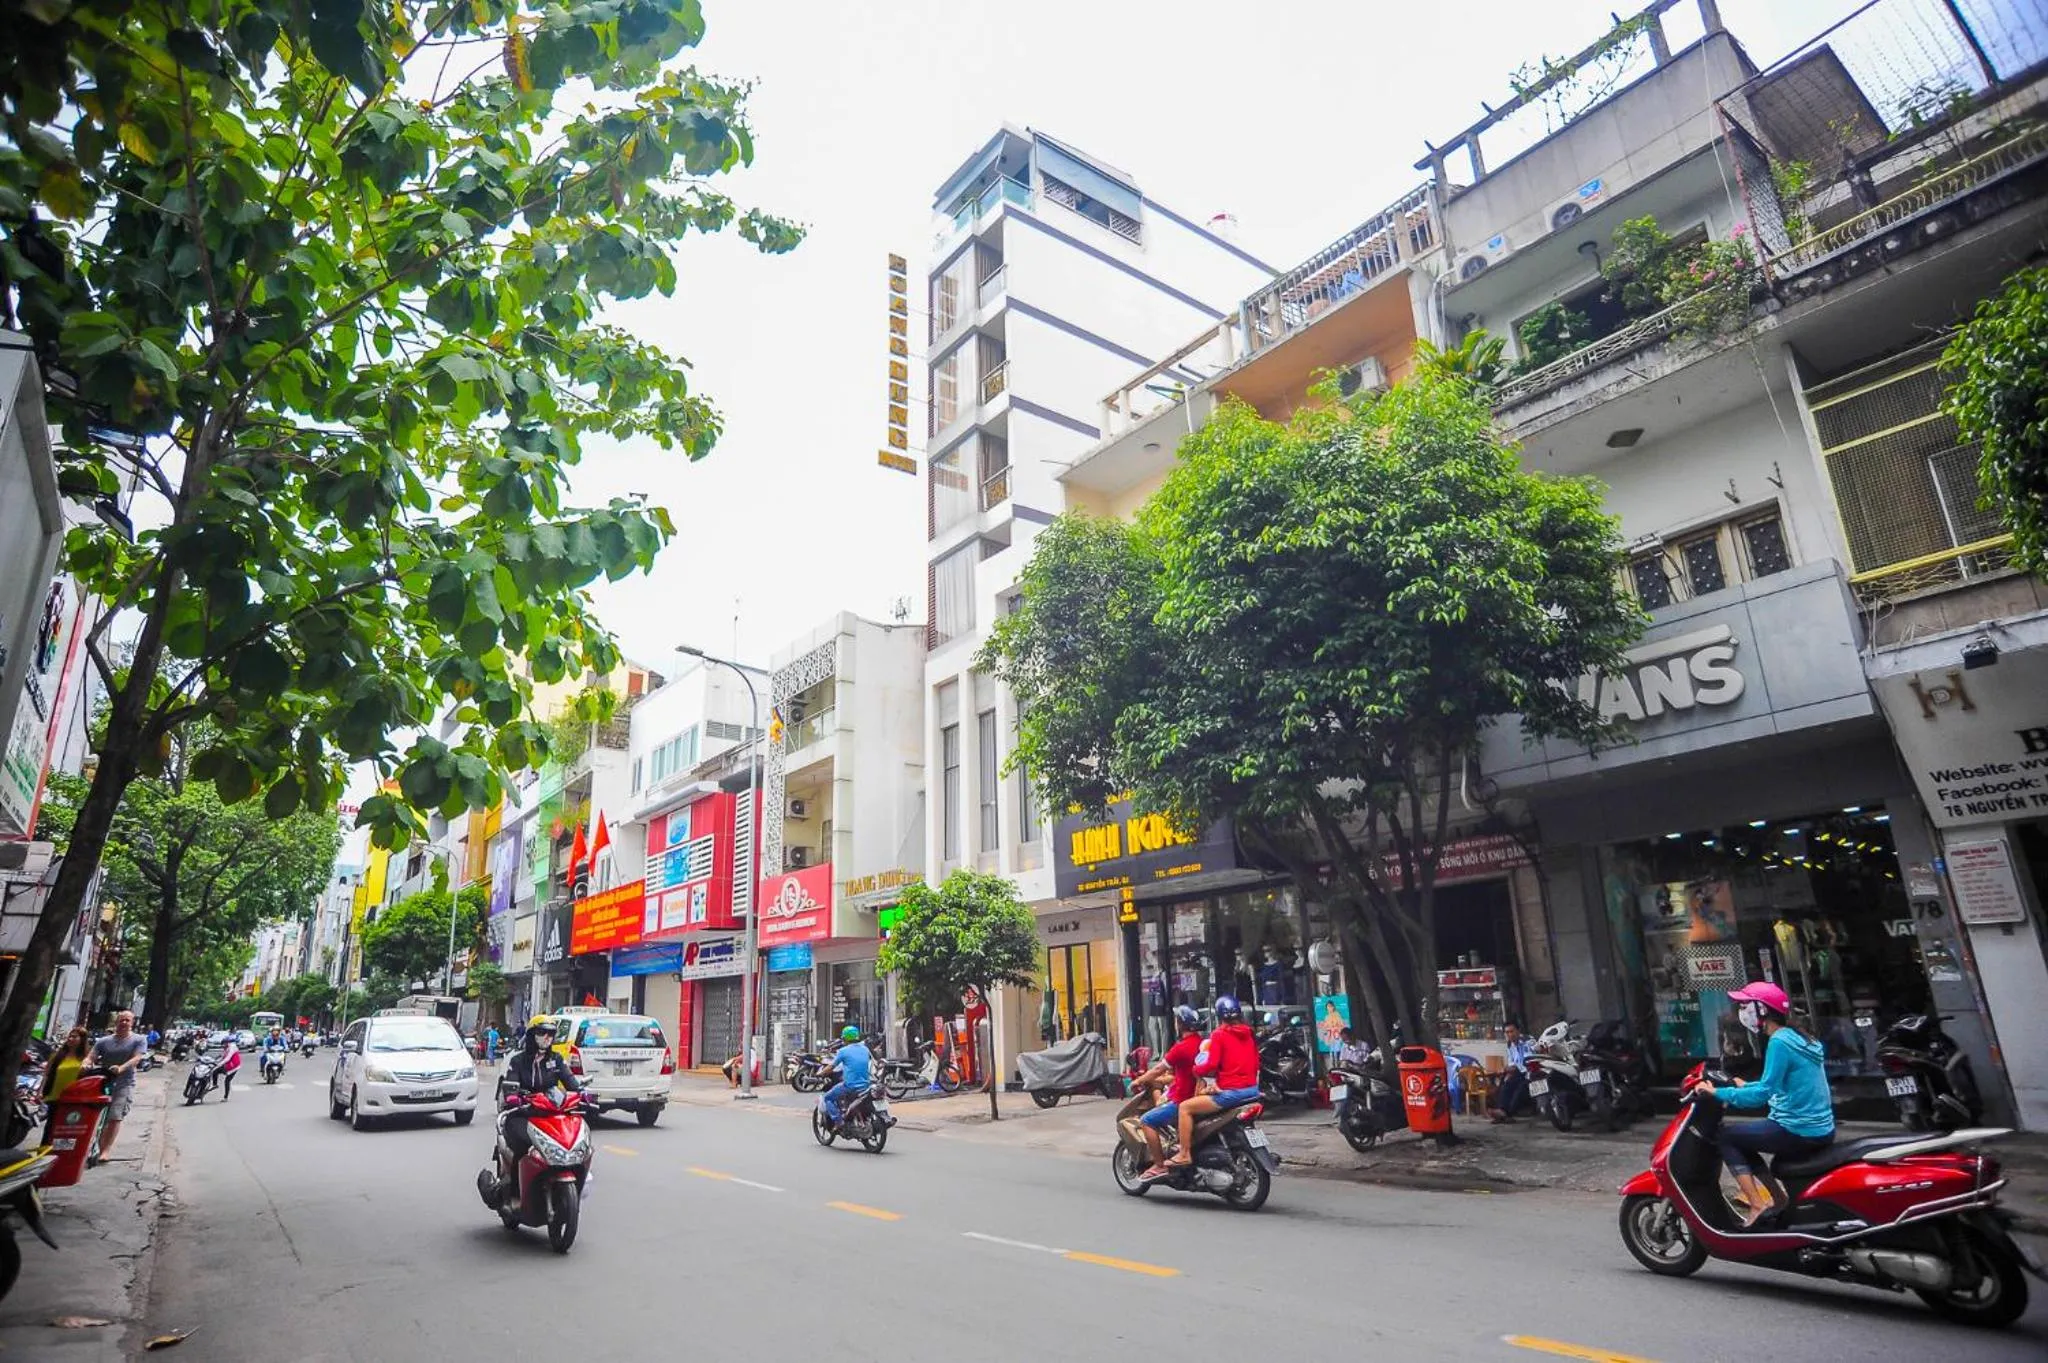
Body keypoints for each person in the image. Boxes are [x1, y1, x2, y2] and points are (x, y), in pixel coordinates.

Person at [1687, 981, 1833, 1226]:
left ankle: (1757, 1204)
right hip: (1817, 1128)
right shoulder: (1797, 1037)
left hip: (1798, 1129)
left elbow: (1763, 1094)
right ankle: (1777, 1198)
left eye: (1746, 1005)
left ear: (1762, 1010)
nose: (1742, 1011)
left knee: (1725, 1136)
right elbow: (1772, 1084)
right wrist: (1742, 1085)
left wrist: (1717, 1093)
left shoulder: (1780, 1042)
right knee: (1744, 1137)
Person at [1158, 995, 1261, 1175]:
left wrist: (1196, 1070)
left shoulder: (1219, 1035)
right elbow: (1255, 1063)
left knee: (1185, 1107)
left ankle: (1184, 1153)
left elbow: (1211, 1065)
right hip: (1252, 1091)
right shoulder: (1249, 1033)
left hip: (1232, 1093)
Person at [497, 1022, 584, 1191]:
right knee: (523, 1144)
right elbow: (510, 1084)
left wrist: (583, 1093)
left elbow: (571, 1082)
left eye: (551, 1034)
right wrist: (514, 1097)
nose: (547, 1038)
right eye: (542, 1033)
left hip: (551, 1114)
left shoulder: (556, 1059)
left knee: (574, 1141)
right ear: (531, 1035)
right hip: (523, 1113)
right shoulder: (517, 1060)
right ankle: (513, 1187)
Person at [1128, 1006, 1203, 1179]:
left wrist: (1138, 1081)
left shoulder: (1181, 1048)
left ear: (1180, 1024)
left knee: (1147, 1120)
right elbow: (1179, 1074)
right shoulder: (1201, 1043)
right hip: (1199, 1095)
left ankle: (1160, 1165)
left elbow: (1157, 1070)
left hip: (1183, 1099)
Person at [87, 1011, 149, 1162]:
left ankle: (105, 1150)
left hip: (124, 1083)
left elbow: (137, 1058)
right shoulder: (103, 1041)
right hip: (102, 1081)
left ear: (132, 1023)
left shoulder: (139, 1039)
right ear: (116, 1022)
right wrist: (86, 1063)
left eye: (127, 1020)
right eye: (122, 1020)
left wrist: (121, 1068)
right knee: (94, 1116)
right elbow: (91, 1056)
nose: (124, 1023)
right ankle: (89, 1146)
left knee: (115, 1116)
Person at [819, 1025, 872, 1127]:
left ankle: (838, 1121)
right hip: (866, 1085)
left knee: (828, 1098)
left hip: (850, 1086)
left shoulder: (843, 1051)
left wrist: (821, 1074)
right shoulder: (865, 1049)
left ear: (845, 1038)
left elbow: (831, 1067)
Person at [1488, 1022, 1534, 1123]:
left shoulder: (1528, 1041)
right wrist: (1507, 1071)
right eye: (1507, 1032)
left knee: (1519, 1088)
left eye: (1512, 1031)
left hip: (1531, 1072)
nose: (1510, 1034)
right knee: (1505, 1084)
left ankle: (1507, 1113)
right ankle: (1502, 1111)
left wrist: (1512, 1069)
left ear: (1518, 1031)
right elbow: (1512, 1062)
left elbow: (1529, 1061)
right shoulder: (1510, 1045)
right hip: (1519, 1073)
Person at [41, 1026, 92, 1104]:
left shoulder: (85, 1059)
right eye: (70, 1036)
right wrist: (40, 1092)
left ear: (82, 1040)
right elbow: (46, 1075)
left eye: (74, 1037)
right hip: (52, 1098)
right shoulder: (57, 1056)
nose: (70, 1039)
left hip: (73, 1101)